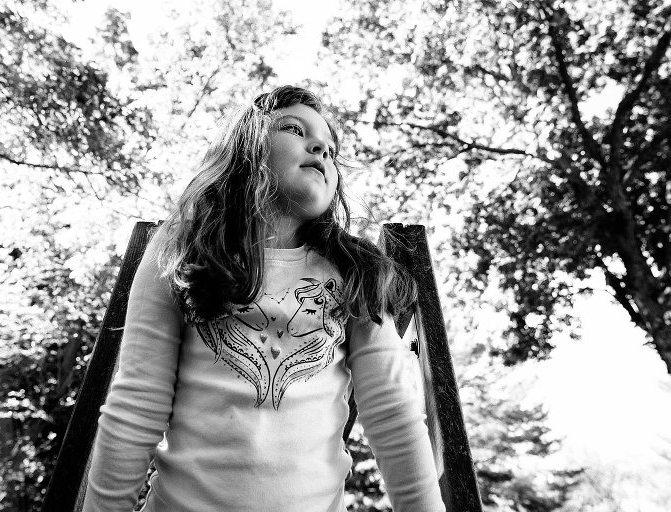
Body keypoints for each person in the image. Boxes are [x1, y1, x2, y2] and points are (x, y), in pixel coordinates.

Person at [82, 85, 446, 512]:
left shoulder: (356, 271)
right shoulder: (183, 249)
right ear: (246, 145)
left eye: (330, 150)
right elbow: (138, 403)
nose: (321, 149)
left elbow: (394, 415)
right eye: (295, 129)